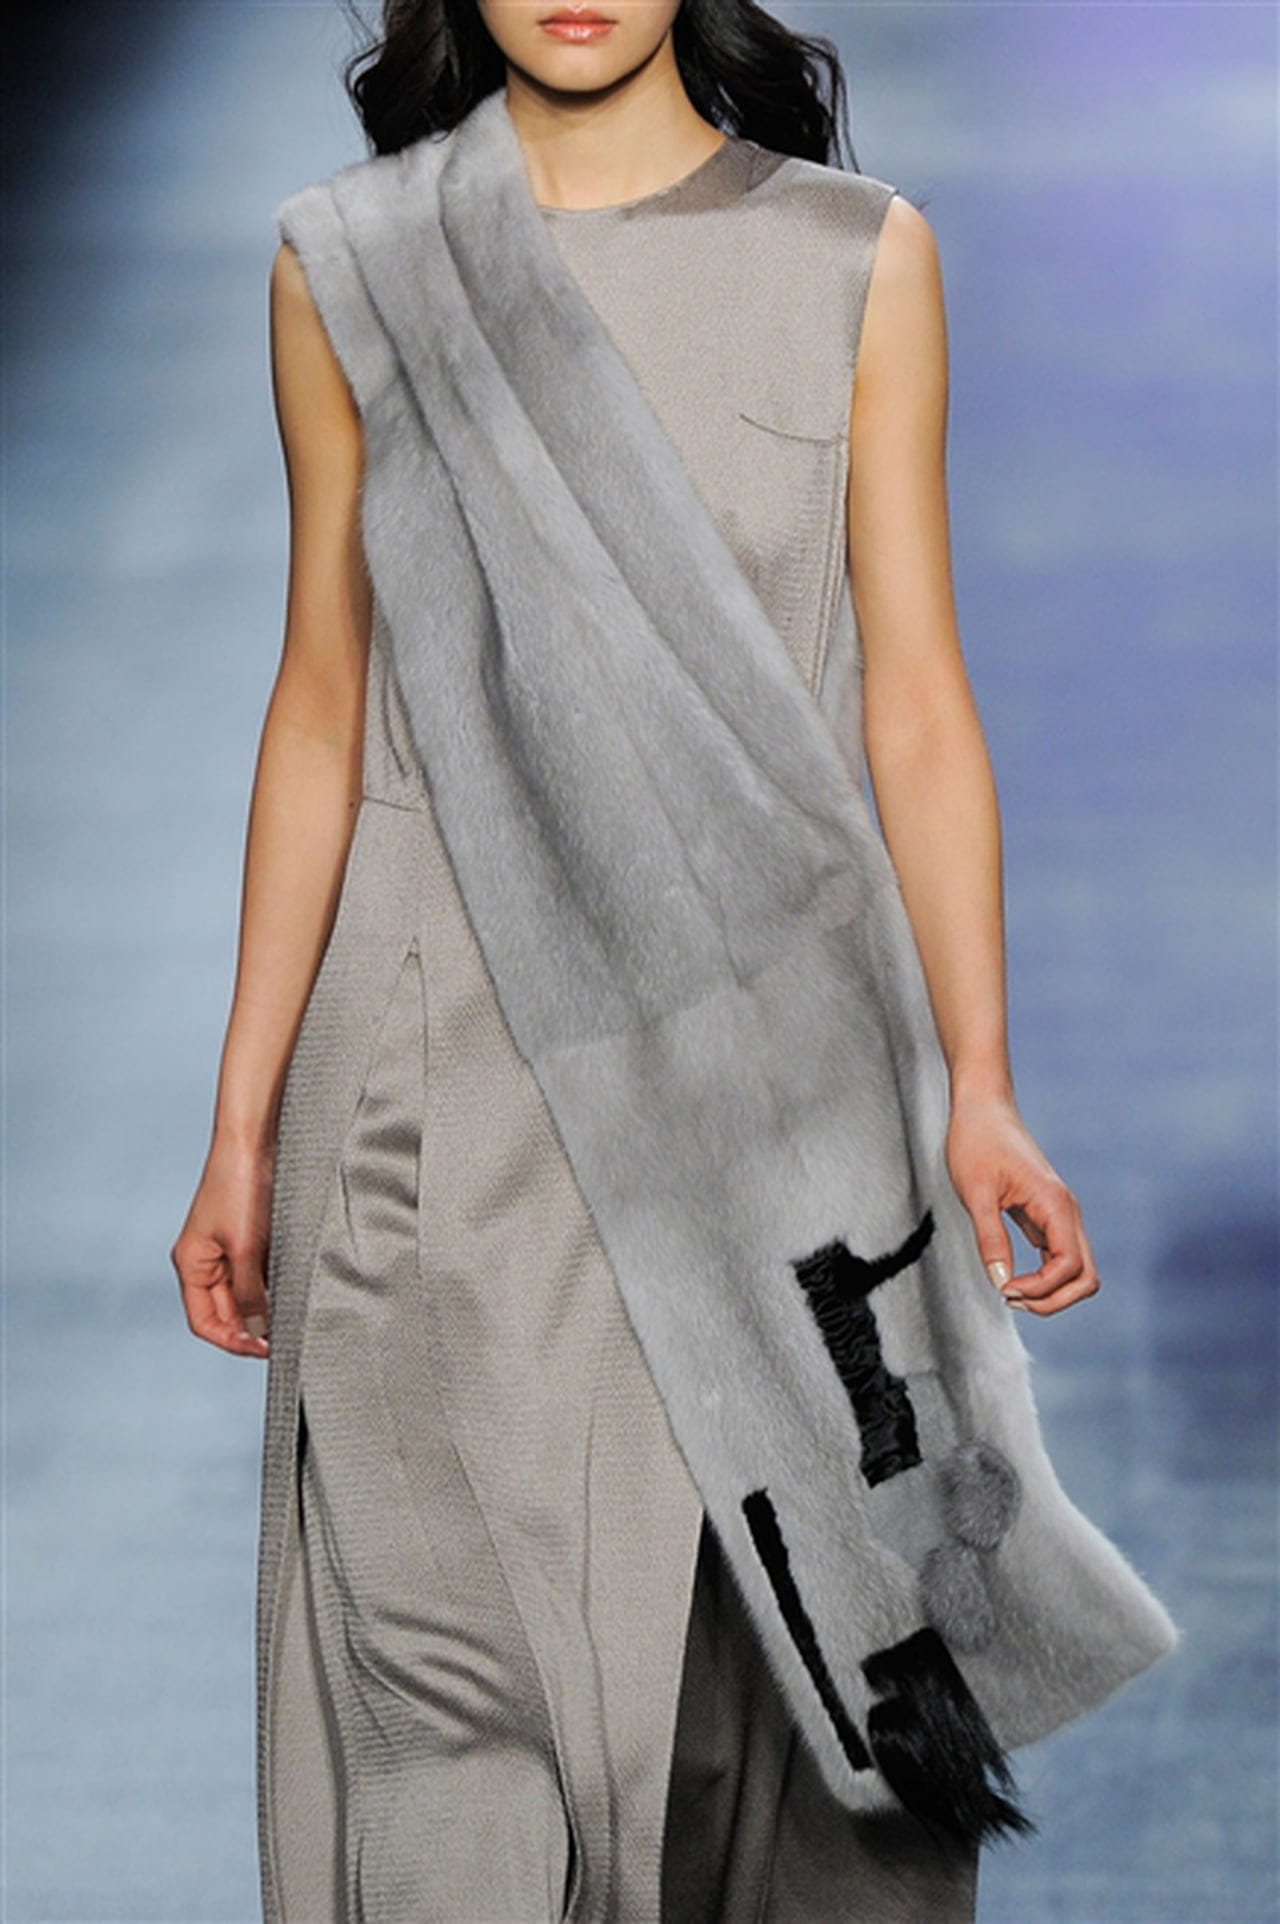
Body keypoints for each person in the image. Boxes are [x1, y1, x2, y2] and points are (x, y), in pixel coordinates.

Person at [171, 3, 1118, 1918]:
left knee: (758, 1709)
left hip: (768, 1102)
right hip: (431, 1088)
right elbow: (322, 710)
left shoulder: (857, 259)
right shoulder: (354, 271)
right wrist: (244, 1122)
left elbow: (916, 704)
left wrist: (981, 1081)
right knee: (456, 1708)